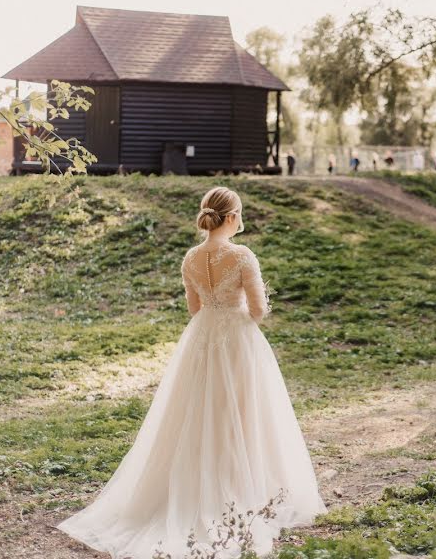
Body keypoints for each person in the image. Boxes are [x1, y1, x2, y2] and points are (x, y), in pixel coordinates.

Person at [56, 187, 327, 558]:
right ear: (231, 217)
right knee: (245, 412)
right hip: (238, 341)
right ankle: (243, 486)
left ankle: (191, 485)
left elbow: (194, 307)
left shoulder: (191, 258)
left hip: (201, 338)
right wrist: (247, 303)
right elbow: (260, 312)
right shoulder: (243, 255)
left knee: (195, 410)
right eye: (240, 214)